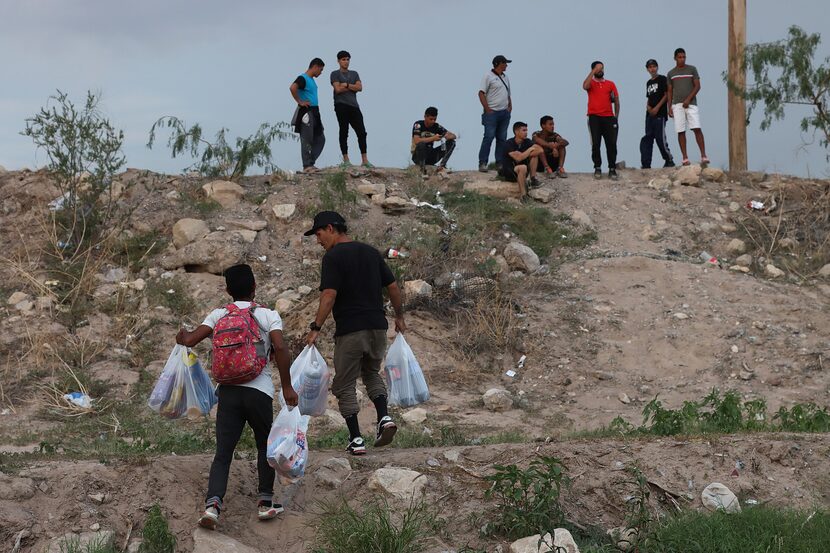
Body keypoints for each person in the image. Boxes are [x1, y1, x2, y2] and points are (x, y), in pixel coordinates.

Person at [175, 264, 296, 530]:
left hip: (228, 392)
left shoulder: (219, 315)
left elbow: (190, 340)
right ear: (254, 287)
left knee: (223, 452)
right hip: (259, 391)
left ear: (228, 289)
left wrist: (181, 335)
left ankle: (213, 506)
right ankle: (265, 503)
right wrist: (287, 387)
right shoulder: (266, 315)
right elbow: (280, 346)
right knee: (265, 446)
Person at [303, 211, 406, 456]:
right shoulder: (371, 252)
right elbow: (392, 286)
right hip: (378, 327)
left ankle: (356, 438)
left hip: (351, 330)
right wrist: (400, 316)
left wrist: (316, 327)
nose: (318, 241)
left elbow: (329, 295)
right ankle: (384, 419)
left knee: (344, 384)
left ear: (330, 228)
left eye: (318, 234)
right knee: (371, 373)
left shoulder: (333, 257)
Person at [330, 50, 373, 168]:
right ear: (338, 61)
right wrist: (352, 87)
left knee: (362, 132)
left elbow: (360, 87)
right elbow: (337, 89)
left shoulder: (354, 73)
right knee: (344, 131)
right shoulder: (335, 74)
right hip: (341, 105)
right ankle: (346, 159)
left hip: (354, 106)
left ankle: (365, 160)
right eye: (343, 59)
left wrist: (347, 85)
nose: (346, 62)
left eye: (348, 59)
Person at [667, 48, 709, 166]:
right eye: (680, 57)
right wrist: (669, 106)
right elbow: (670, 91)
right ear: (675, 58)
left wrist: (688, 99)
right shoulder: (671, 73)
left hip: (691, 104)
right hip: (677, 105)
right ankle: (685, 158)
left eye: (684, 57)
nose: (682, 59)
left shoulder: (692, 69)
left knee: (696, 128)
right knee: (680, 131)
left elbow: (697, 86)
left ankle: (703, 155)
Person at [582, 61, 620, 180]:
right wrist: (593, 71)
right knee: (596, 143)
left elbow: (617, 100)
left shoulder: (610, 83)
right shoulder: (591, 83)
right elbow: (585, 86)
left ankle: (612, 168)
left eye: (602, 68)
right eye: (598, 68)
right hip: (594, 117)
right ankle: (597, 167)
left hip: (609, 117)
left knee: (611, 144)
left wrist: (616, 117)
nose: (601, 70)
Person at [290, 58, 326, 173]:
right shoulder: (303, 78)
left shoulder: (311, 80)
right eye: (320, 70)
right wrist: (299, 101)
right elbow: (292, 87)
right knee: (307, 138)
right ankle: (306, 166)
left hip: (315, 111)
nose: (321, 72)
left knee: (320, 138)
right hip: (307, 111)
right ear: (315, 66)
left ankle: (310, 162)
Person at [478, 55, 512, 173]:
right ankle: (483, 162)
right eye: (505, 63)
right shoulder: (488, 76)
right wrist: (487, 109)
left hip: (504, 113)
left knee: (502, 139)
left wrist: (510, 106)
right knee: (488, 137)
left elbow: (508, 93)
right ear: (499, 63)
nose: (507, 65)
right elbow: (481, 93)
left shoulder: (505, 77)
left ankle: (500, 162)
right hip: (492, 113)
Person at [639, 59, 675, 169]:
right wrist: (649, 108)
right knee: (647, 138)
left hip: (660, 114)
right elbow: (649, 98)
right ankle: (646, 164)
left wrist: (657, 108)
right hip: (649, 115)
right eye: (650, 67)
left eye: (654, 66)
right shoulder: (649, 83)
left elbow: (666, 94)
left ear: (657, 67)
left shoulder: (662, 79)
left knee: (660, 138)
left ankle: (669, 160)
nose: (652, 69)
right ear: (647, 69)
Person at [500, 121, 544, 198]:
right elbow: (518, 158)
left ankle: (533, 179)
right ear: (516, 132)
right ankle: (523, 196)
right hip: (510, 172)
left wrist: (523, 154)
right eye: (524, 130)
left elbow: (540, 150)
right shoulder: (509, 143)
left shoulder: (527, 141)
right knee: (522, 167)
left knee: (535, 156)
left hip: (524, 171)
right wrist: (529, 150)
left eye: (526, 130)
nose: (526, 133)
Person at [411, 106, 457, 177]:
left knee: (452, 142)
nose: (433, 121)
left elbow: (453, 135)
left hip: (431, 156)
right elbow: (417, 140)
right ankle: (422, 170)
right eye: (431, 119)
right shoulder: (418, 125)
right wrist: (433, 138)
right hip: (418, 156)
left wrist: (447, 136)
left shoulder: (436, 126)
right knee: (421, 144)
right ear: (425, 117)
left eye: (434, 119)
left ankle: (442, 166)